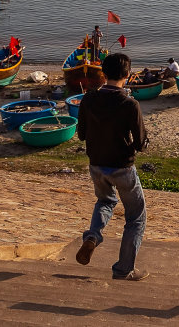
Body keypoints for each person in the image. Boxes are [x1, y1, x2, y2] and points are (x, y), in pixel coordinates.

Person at [75, 52, 149, 281]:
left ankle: (93, 236)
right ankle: (123, 269)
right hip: (122, 168)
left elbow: (81, 135)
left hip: (96, 164)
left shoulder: (88, 99)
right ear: (127, 75)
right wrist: (146, 140)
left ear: (104, 74)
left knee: (106, 201)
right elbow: (140, 144)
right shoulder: (130, 104)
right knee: (136, 216)